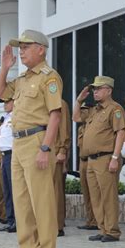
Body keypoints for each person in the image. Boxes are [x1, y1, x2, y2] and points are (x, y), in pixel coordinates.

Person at [0, 29, 62, 248]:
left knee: (41, 200)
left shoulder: (49, 77)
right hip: (17, 142)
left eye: (26, 46)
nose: (21, 51)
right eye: (19, 47)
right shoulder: (21, 79)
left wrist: (46, 147)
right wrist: (4, 68)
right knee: (22, 201)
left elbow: (55, 116)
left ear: (40, 49)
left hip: (36, 140)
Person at [73, 76, 125, 243]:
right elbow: (76, 118)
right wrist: (79, 100)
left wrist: (115, 157)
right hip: (91, 160)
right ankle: (103, 229)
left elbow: (121, 133)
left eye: (98, 89)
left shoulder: (115, 109)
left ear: (108, 90)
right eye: (94, 89)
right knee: (95, 197)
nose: (95, 92)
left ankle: (112, 231)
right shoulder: (94, 110)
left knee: (108, 196)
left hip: (106, 157)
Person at [0, 98, 17, 233]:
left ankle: (17, 221)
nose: (5, 105)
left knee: (15, 189)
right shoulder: (5, 119)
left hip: (14, 154)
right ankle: (10, 220)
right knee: (7, 190)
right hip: (5, 156)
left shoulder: (17, 116)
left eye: (7, 102)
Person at [76, 102, 98, 230]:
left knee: (94, 192)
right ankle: (90, 220)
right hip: (82, 161)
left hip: (92, 160)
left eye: (85, 110)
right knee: (86, 193)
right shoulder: (81, 128)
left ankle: (97, 220)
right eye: (81, 110)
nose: (82, 112)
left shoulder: (94, 126)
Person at [54, 99, 71, 237]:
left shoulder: (59, 103)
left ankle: (58, 225)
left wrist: (62, 150)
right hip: (42, 152)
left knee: (56, 192)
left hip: (54, 152)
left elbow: (64, 128)